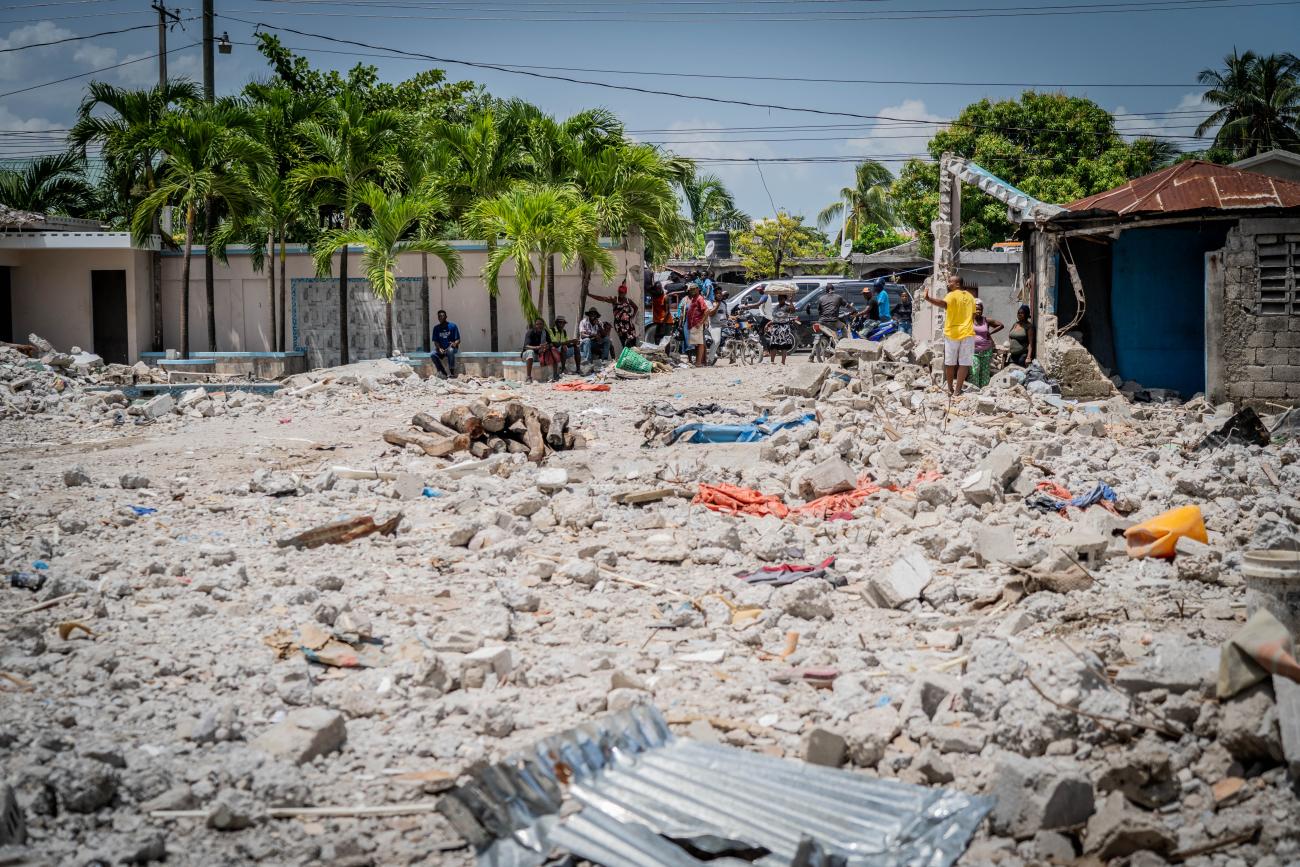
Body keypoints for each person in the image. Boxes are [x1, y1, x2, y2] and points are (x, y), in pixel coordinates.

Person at [924, 275, 977, 396]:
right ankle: (958, 390)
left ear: (957, 284)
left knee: (949, 362)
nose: (948, 284)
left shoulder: (951, 295)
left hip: (952, 333)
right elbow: (973, 316)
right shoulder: (971, 297)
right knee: (964, 363)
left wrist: (928, 298)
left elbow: (943, 304)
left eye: (950, 282)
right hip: (968, 333)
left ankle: (950, 388)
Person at [589, 281, 640, 351]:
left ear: (625, 293)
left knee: (633, 341)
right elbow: (602, 298)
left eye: (622, 292)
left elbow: (636, 307)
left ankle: (633, 357)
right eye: (620, 292)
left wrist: (632, 317)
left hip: (629, 325)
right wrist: (589, 295)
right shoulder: (615, 299)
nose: (621, 294)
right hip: (619, 325)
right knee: (624, 342)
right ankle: (626, 357)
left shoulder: (628, 301)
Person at [971, 300, 1004, 388]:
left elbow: (1001, 325)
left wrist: (990, 333)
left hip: (986, 351)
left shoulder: (986, 320)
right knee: (975, 370)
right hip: (973, 351)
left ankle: (984, 390)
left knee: (985, 372)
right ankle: (974, 389)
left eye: (980, 309)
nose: (978, 311)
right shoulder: (969, 320)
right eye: (976, 309)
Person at [683, 282, 712, 367]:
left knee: (700, 343)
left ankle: (699, 362)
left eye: (693, 289)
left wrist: (701, 322)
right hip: (693, 324)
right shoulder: (694, 298)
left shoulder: (699, 298)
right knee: (697, 343)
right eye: (691, 289)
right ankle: (700, 361)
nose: (692, 291)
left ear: (697, 289)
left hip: (697, 324)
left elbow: (706, 311)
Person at [765, 293, 797, 365]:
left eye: (781, 298)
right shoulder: (776, 307)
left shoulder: (787, 307)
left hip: (784, 328)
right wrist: (768, 324)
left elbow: (793, 311)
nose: (779, 300)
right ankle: (772, 361)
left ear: (785, 299)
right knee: (773, 345)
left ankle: (783, 362)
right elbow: (774, 318)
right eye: (779, 298)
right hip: (776, 327)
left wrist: (791, 301)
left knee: (784, 345)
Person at [430, 309, 461, 378]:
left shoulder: (453, 326)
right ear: (438, 318)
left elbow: (458, 339)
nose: (441, 317)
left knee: (450, 350)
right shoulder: (436, 328)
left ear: (446, 317)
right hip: (441, 349)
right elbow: (435, 341)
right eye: (439, 316)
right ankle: (443, 372)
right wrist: (439, 348)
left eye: (442, 316)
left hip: (451, 348)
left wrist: (455, 344)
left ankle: (452, 372)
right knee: (433, 354)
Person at [521, 317, 552, 383]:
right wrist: (538, 347)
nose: (539, 326)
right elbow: (526, 346)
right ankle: (528, 377)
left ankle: (552, 375)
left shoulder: (545, 332)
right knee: (530, 352)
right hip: (527, 355)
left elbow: (550, 343)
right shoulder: (530, 332)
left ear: (543, 325)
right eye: (537, 324)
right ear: (535, 325)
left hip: (539, 354)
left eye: (541, 324)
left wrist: (546, 347)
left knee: (552, 351)